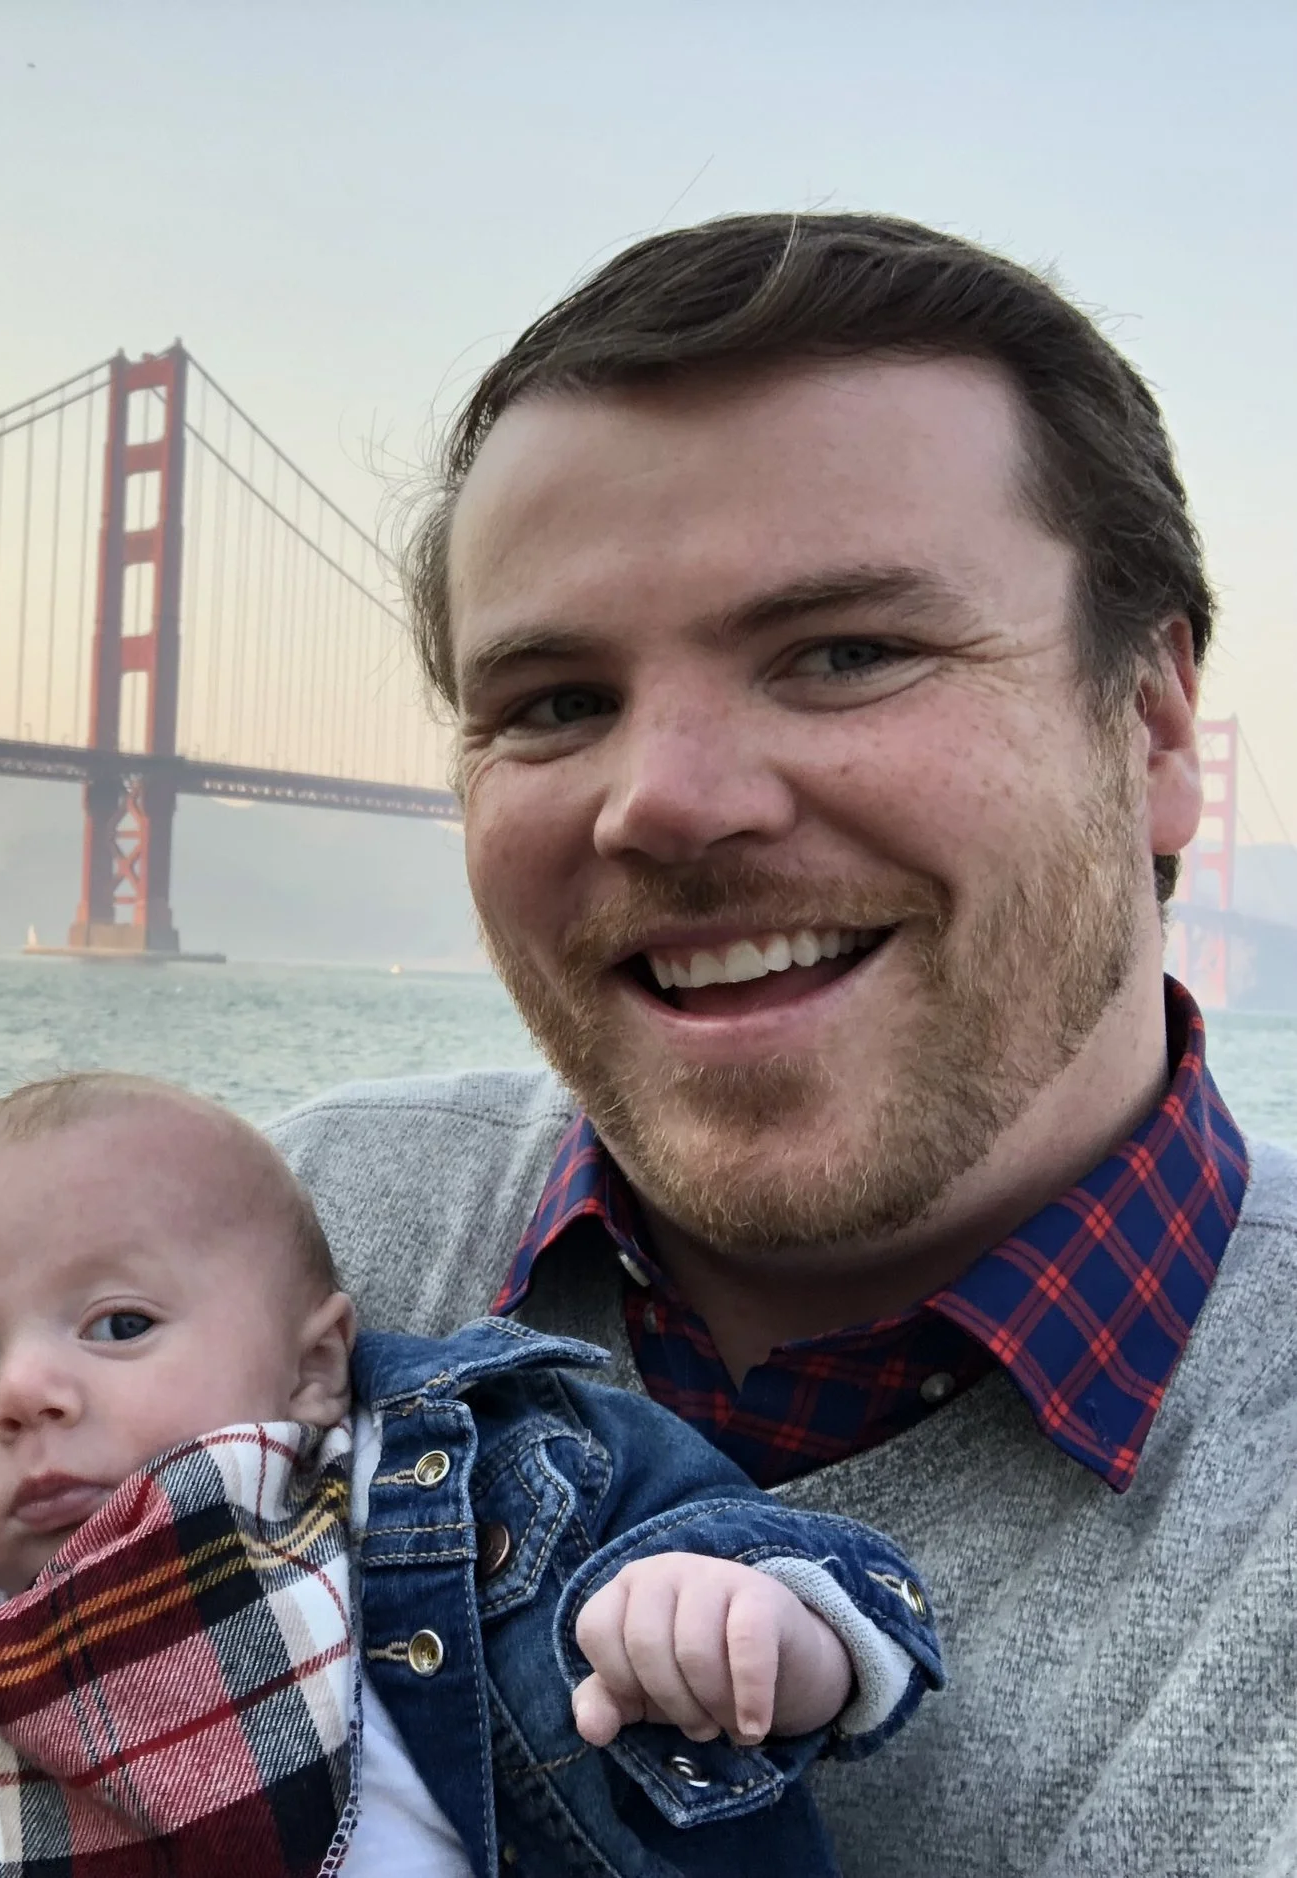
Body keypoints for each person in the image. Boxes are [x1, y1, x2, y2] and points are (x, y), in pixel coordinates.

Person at [265, 211, 1294, 1878]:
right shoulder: (294, 1238)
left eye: (846, 653)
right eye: (555, 701)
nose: (667, 798)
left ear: (1156, 728)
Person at [0, 1073, 940, 1878]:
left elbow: (783, 1561)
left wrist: (742, 1624)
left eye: (118, 1326)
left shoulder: (457, 1494)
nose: (22, 1393)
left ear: (315, 1367)